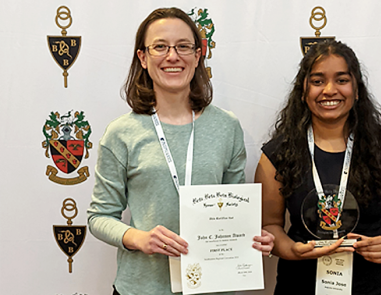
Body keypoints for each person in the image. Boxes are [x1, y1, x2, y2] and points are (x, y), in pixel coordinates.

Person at [87, 7, 274, 295]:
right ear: (143, 58)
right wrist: (138, 238)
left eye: (183, 47)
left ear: (198, 56)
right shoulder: (121, 132)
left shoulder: (227, 127)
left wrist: (250, 237)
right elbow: (99, 217)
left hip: (212, 287)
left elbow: (234, 208)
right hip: (141, 288)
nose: (172, 56)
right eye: (160, 46)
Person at [255, 40, 381, 294]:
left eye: (341, 80)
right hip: (301, 283)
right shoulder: (277, 154)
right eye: (318, 81)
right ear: (303, 91)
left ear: (356, 90)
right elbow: (269, 226)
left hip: (378, 284)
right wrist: (291, 250)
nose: (329, 90)